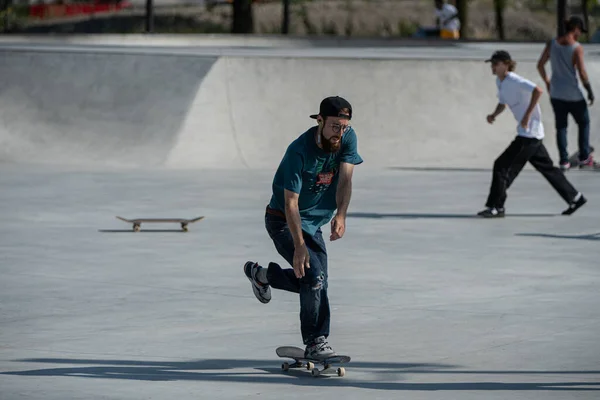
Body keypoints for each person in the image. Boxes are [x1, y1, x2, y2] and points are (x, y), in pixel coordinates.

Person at [243, 96, 363, 359]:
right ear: (319, 120)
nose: (339, 133)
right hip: (282, 220)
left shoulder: (347, 136)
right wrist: (299, 246)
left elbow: (345, 178)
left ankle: (263, 276)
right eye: (334, 126)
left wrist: (341, 215)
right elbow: (290, 203)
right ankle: (315, 342)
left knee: (317, 282)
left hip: (313, 223)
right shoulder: (299, 151)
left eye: (344, 127)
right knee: (314, 278)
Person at [478, 50, 587, 218]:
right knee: (548, 169)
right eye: (491, 64)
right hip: (532, 135)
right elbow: (503, 102)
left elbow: (538, 90)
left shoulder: (515, 80)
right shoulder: (500, 83)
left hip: (528, 135)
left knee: (502, 166)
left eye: (495, 64)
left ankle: (496, 207)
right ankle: (575, 197)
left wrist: (528, 115)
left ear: (506, 64)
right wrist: (494, 114)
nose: (492, 67)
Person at [537, 15, 596, 170]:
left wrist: (547, 82)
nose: (580, 34)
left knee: (561, 127)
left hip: (556, 93)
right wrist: (589, 91)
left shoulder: (552, 44)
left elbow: (540, 65)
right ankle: (584, 157)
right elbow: (582, 72)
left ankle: (564, 161)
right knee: (584, 123)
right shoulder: (576, 47)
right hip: (573, 94)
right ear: (575, 28)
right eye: (580, 31)